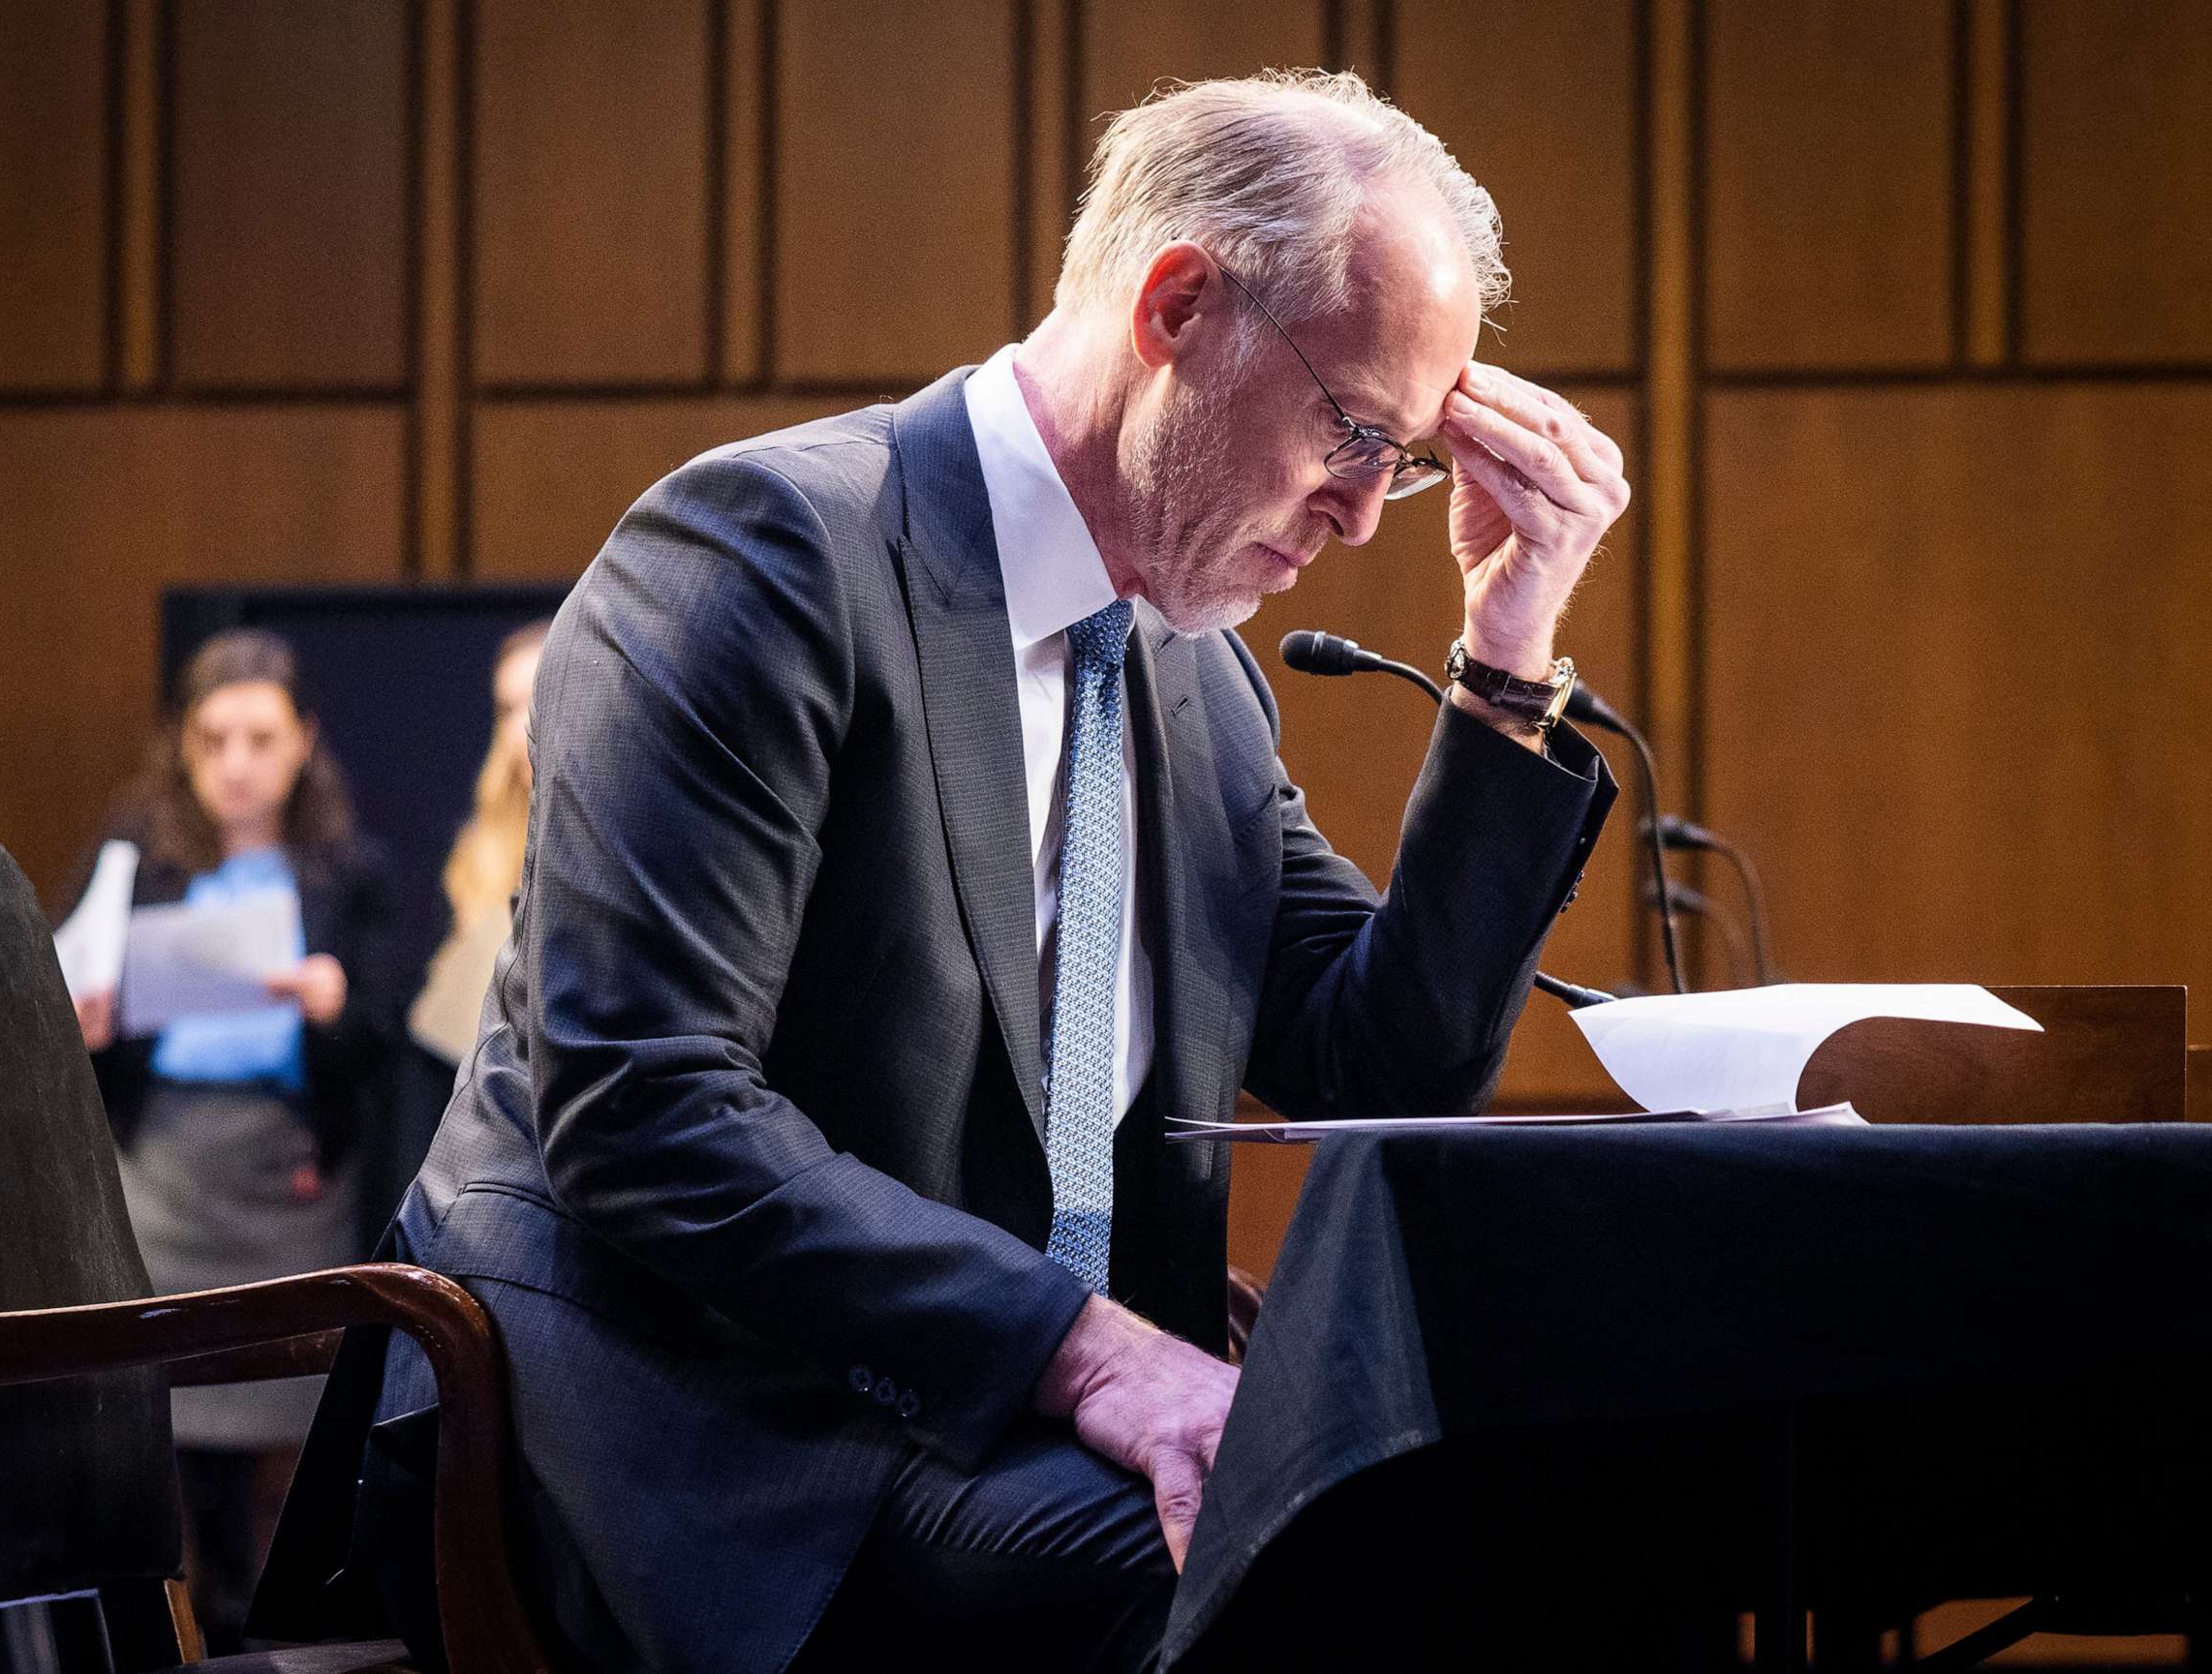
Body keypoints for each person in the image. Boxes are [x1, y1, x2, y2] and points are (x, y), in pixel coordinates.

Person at [265, 70, 1626, 1673]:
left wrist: (1506, 653)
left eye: (1396, 463)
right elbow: (642, 1105)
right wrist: (1087, 1349)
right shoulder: (762, 552)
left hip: (982, 1421)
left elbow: (1374, 1051)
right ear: (1177, 305)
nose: (1359, 513)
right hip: (721, 1427)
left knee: (1569, 1526)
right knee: (1326, 1571)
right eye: (1354, 432)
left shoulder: (1194, 674)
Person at [68, 628, 396, 1651]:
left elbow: (391, 1037)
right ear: (185, 748)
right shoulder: (138, 856)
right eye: (214, 739)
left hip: (290, 1183)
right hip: (164, 1174)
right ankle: (188, 1642)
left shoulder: (346, 868)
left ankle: (274, 1646)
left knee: (286, 1448)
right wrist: (84, 1019)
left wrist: (337, 1006)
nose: (238, 763)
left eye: (260, 737)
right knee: (170, 1451)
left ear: (303, 742)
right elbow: (57, 992)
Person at [407, 620, 550, 1067]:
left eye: (539, 699)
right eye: (508, 708)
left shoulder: (635, 838)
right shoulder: (478, 857)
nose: (519, 728)